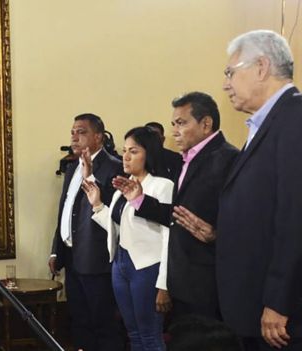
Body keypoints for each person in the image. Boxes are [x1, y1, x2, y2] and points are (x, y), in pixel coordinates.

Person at [173, 30, 302, 350]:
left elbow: (294, 217)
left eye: (231, 72)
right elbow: (262, 211)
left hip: (277, 314)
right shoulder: (269, 123)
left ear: (261, 67)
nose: (225, 83)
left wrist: (278, 301)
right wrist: (220, 235)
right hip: (252, 301)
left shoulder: (294, 118)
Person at [116, 93, 238, 321]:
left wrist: (217, 235)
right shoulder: (187, 160)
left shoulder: (228, 159)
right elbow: (178, 217)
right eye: (173, 124)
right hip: (183, 278)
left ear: (206, 124)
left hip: (208, 282)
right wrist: (140, 199)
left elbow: (244, 221)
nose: (174, 131)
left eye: (181, 123)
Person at [83, 126, 174, 351]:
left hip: (147, 266)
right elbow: (119, 229)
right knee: (132, 333)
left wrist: (164, 284)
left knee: (150, 334)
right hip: (121, 263)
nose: (125, 156)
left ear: (149, 153)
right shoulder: (121, 187)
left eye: (133, 151)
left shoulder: (162, 185)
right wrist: (97, 205)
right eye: (124, 150)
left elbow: (169, 235)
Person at [49, 113, 125, 351]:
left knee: (102, 323)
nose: (74, 136)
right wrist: (55, 251)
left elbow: (112, 214)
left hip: (97, 259)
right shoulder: (72, 168)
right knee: (79, 321)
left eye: (81, 132)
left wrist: (90, 175)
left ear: (98, 137)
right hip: (72, 258)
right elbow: (65, 211)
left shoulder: (114, 167)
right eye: (73, 132)